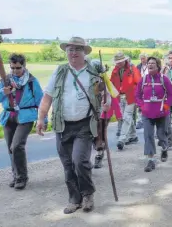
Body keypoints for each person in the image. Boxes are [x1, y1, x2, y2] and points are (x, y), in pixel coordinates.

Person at [37, 36, 111, 214]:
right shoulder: (60, 71)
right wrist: (41, 118)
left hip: (85, 124)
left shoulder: (93, 72)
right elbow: (47, 97)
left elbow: (106, 93)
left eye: (77, 49)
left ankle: (87, 194)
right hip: (62, 125)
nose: (73, 53)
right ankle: (74, 199)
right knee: (68, 164)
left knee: (80, 161)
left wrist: (106, 100)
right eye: (70, 49)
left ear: (84, 52)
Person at [0, 53, 45, 190]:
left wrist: (43, 119)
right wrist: (3, 92)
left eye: (18, 67)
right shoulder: (5, 81)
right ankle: (16, 175)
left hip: (26, 117)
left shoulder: (32, 81)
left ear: (24, 66)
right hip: (8, 116)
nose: (15, 71)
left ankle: (22, 177)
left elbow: (41, 101)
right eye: (12, 68)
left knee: (16, 146)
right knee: (11, 148)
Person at [136, 56, 172, 172]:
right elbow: (137, 95)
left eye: (153, 63)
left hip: (162, 113)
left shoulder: (164, 79)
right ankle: (150, 161)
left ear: (158, 66)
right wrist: (142, 106)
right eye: (148, 63)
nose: (150, 65)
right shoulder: (143, 80)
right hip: (147, 114)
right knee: (148, 136)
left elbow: (171, 94)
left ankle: (164, 148)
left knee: (161, 135)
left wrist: (166, 106)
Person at [112, 52, 142, 151]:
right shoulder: (115, 70)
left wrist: (139, 99)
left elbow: (139, 84)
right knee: (124, 117)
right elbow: (111, 83)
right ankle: (133, 136)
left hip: (131, 97)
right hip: (119, 97)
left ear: (124, 60)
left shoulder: (132, 69)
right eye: (117, 62)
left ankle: (122, 139)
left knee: (127, 117)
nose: (118, 64)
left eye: (120, 62)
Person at [135, 53, 149, 129]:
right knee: (139, 104)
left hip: (149, 87)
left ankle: (147, 119)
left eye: (144, 58)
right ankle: (140, 121)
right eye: (141, 59)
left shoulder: (150, 65)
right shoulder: (138, 66)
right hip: (141, 87)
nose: (142, 60)